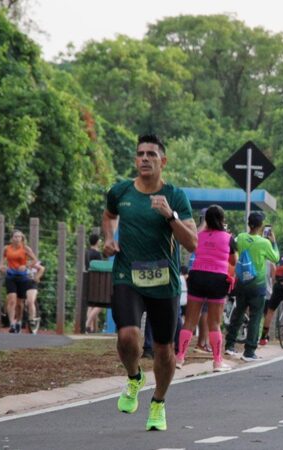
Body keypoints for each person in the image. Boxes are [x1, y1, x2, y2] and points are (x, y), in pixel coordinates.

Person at [102, 134, 197, 431]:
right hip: (127, 275)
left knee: (163, 349)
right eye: (140, 154)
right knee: (128, 336)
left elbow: (192, 242)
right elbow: (108, 215)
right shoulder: (120, 192)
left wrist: (170, 215)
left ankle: (158, 402)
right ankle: (134, 378)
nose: (144, 158)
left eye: (151, 155)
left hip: (163, 281)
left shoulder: (175, 196)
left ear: (163, 161)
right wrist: (108, 238)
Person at [175, 205, 236, 372]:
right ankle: (217, 362)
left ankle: (179, 358)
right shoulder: (228, 238)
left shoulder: (198, 236)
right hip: (217, 279)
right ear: (223, 220)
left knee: (189, 321)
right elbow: (233, 260)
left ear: (206, 220)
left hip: (197, 277)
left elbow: (194, 247)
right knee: (215, 323)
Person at [225, 212, 280, 361]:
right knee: (255, 317)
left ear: (249, 224)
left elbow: (233, 246)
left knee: (238, 312)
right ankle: (249, 351)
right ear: (261, 226)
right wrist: (273, 242)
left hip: (241, 283)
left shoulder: (241, 237)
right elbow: (275, 258)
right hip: (258, 285)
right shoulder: (264, 243)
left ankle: (229, 345)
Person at [0, 230, 38, 334]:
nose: (17, 239)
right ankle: (12, 324)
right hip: (11, 276)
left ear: (22, 238)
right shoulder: (7, 248)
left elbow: (35, 260)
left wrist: (26, 266)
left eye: (19, 237)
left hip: (22, 278)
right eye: (15, 237)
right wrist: (2, 267)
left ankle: (19, 322)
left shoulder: (25, 248)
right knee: (11, 300)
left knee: (20, 304)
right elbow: (1, 262)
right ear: (11, 238)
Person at [260, 255, 283, 346]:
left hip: (278, 288)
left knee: (270, 312)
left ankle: (263, 337)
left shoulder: (278, 257)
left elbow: (274, 275)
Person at [85, 233, 105, 333]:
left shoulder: (87, 252)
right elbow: (102, 267)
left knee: (91, 304)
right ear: (97, 241)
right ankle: (87, 324)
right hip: (98, 282)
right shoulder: (97, 254)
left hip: (88, 281)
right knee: (101, 304)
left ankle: (90, 328)